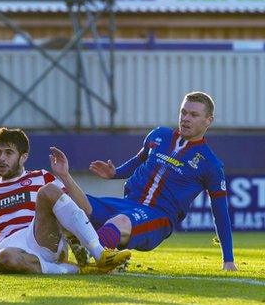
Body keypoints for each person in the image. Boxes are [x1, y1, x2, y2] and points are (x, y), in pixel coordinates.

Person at [0, 127, 131, 275]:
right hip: (12, 247)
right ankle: (70, 269)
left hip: (41, 235)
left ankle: (100, 254)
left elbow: (85, 209)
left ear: (23, 157)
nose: (1, 158)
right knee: (2, 260)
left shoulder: (40, 177)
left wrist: (64, 176)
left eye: (8, 153)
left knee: (48, 190)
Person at [88, 91, 237, 271]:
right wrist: (116, 173)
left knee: (119, 222)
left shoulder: (211, 164)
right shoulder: (159, 135)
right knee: (74, 202)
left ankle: (90, 257)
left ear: (208, 121)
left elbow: (220, 211)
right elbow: (139, 160)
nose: (186, 118)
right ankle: (54, 256)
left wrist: (228, 260)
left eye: (194, 115)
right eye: (183, 112)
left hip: (157, 216)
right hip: (128, 204)